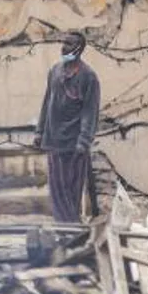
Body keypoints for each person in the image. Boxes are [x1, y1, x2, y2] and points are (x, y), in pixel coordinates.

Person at [33, 32, 101, 223]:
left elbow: (90, 111)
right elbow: (47, 102)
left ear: (80, 48)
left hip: (74, 143)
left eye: (69, 44)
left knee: (72, 189)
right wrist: (39, 131)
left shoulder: (89, 77)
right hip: (53, 140)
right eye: (63, 42)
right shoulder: (54, 71)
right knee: (57, 189)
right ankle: (63, 227)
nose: (64, 47)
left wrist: (84, 140)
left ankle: (72, 228)